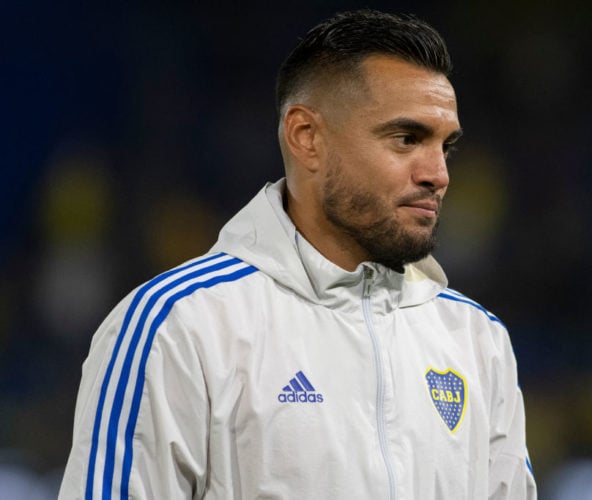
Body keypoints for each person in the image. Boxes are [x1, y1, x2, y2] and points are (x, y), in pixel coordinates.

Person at [59, 9, 537, 500]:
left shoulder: (478, 342)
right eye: (406, 138)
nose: (438, 173)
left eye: (445, 146)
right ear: (307, 137)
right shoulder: (178, 327)